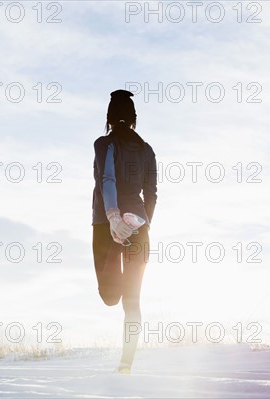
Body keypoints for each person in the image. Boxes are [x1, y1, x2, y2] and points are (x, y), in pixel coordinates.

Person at [92, 89, 158, 374]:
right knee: (132, 301)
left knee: (110, 296)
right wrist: (144, 223)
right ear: (134, 119)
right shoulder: (147, 149)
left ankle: (122, 233)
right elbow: (152, 193)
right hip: (139, 228)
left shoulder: (104, 143)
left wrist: (113, 215)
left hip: (106, 225)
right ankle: (125, 365)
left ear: (108, 117)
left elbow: (107, 178)